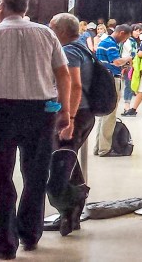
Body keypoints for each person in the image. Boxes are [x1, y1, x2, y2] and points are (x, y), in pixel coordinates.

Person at [0, 0, 71, 257]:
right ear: (25, 8)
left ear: (1, 6)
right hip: (41, 111)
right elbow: (63, 74)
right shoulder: (46, 33)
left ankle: (6, 243)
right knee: (36, 175)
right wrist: (64, 111)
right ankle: (30, 234)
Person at [47, 13, 94, 236]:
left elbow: (75, 86)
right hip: (84, 113)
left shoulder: (70, 51)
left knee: (60, 165)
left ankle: (72, 204)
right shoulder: (82, 46)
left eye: (52, 27)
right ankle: (70, 213)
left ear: (61, 31)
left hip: (76, 114)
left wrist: (69, 119)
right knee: (69, 162)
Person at [94, 23, 131, 156]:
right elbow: (116, 61)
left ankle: (98, 146)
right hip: (111, 80)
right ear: (121, 33)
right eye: (126, 37)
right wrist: (127, 59)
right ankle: (105, 149)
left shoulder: (104, 42)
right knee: (110, 115)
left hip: (103, 79)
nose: (125, 40)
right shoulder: (111, 44)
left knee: (104, 115)